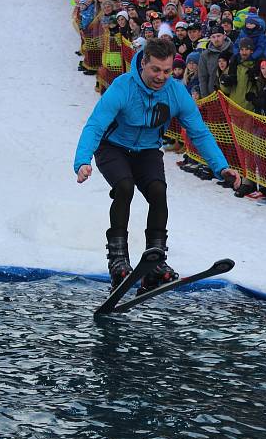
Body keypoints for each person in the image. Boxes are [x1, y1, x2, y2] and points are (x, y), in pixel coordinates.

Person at [74, 38, 240, 292]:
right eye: (155, 70)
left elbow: (199, 132)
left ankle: (156, 264)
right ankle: (118, 261)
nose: (161, 77)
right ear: (143, 64)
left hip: (148, 150)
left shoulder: (175, 92)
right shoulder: (123, 87)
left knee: (157, 192)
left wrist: (221, 167)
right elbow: (96, 125)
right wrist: (82, 161)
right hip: (113, 147)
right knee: (125, 187)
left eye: (166, 70)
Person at [198, 25, 233, 97]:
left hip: (232, 94)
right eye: (213, 37)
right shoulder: (205, 55)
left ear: (224, 36)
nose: (216, 39)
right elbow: (203, 77)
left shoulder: (233, 50)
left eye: (218, 36)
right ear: (210, 38)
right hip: (213, 95)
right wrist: (205, 97)